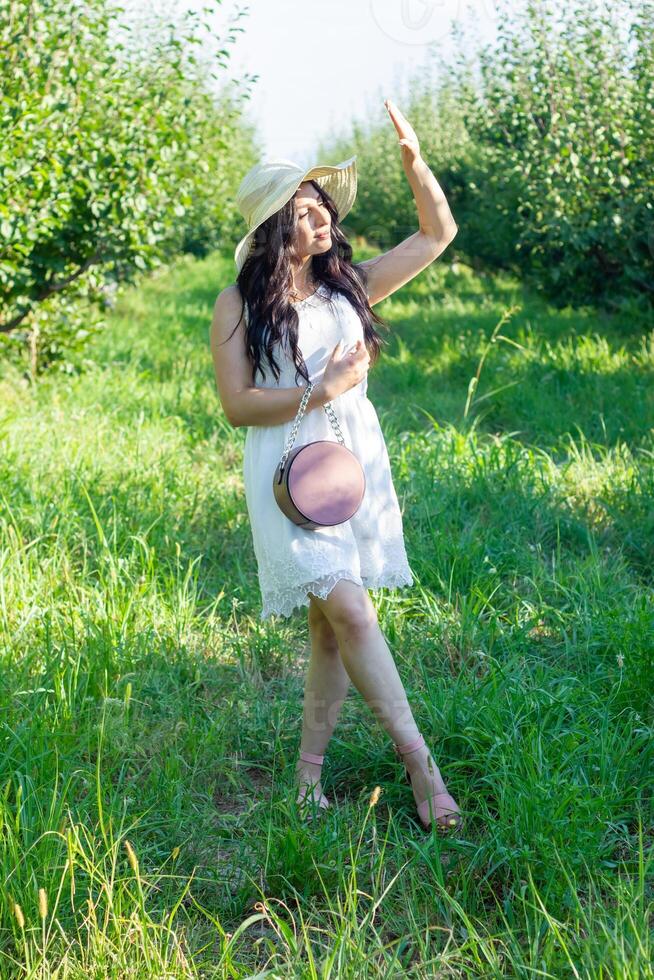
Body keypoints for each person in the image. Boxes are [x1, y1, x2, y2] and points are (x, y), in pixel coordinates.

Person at [210, 99, 463, 832]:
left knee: (330, 629)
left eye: (325, 209)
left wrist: (418, 167)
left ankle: (306, 778)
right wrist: (322, 389)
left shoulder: (348, 286)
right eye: (306, 212)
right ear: (272, 227)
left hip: (352, 464)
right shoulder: (237, 304)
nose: (324, 222)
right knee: (350, 608)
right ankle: (422, 765)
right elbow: (237, 404)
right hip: (287, 473)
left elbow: (436, 233)